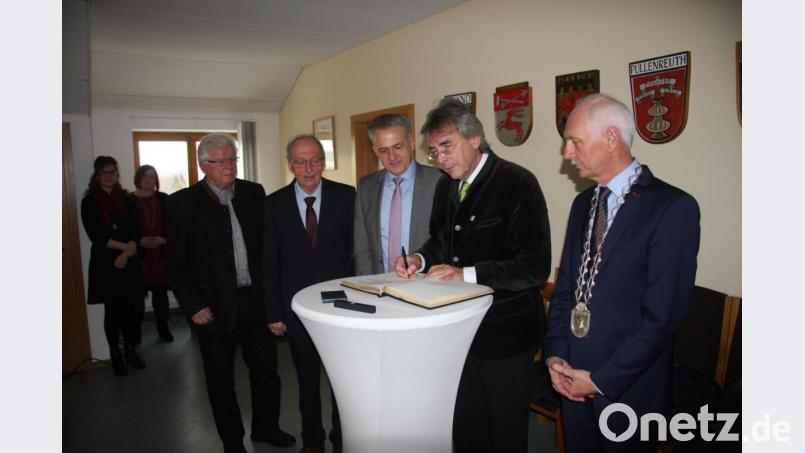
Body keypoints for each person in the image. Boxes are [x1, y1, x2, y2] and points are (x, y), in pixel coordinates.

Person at [543, 94, 700, 452]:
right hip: (572, 380)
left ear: (611, 139)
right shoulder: (584, 203)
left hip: (629, 390)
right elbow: (565, 289)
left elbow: (663, 317)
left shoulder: (672, 208)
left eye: (575, 141)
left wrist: (600, 381)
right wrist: (554, 355)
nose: (567, 152)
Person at [396, 99, 552, 453]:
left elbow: (534, 267)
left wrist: (465, 273)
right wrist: (419, 259)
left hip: (506, 334)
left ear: (475, 138)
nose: (441, 158)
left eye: (446, 146)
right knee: (465, 426)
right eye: (434, 152)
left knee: (505, 432)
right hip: (457, 332)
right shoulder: (445, 186)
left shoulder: (518, 183)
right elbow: (440, 241)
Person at [165, 133, 295, 453]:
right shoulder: (182, 203)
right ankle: (233, 442)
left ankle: (266, 428)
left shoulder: (253, 192)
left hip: (255, 300)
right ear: (203, 165)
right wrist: (193, 305)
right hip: (212, 306)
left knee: (265, 371)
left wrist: (275, 299)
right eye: (220, 161)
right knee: (220, 379)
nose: (228, 166)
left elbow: (268, 249)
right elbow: (176, 264)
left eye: (232, 159)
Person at [263, 134, 355, 453]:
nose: (309, 167)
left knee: (341, 380)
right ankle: (313, 441)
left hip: (340, 305)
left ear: (324, 162)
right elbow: (269, 262)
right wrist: (274, 312)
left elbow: (356, 254)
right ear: (291, 165)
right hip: (296, 307)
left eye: (315, 159)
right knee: (306, 380)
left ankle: (342, 439)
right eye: (301, 161)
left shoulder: (347, 197)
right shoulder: (274, 204)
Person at [354, 114, 443, 275]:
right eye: (383, 150)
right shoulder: (366, 187)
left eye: (397, 147)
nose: (392, 157)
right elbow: (362, 248)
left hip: (427, 285)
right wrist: (366, 284)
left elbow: (445, 243)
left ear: (412, 143)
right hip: (379, 286)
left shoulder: (439, 182)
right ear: (375, 150)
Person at [80, 156, 146, 376]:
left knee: (132, 310)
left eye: (113, 172)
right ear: (97, 175)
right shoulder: (89, 201)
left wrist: (127, 252)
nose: (110, 176)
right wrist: (123, 250)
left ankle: (130, 351)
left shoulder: (127, 199)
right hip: (106, 263)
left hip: (128, 260)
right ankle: (115, 355)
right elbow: (97, 235)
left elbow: (136, 230)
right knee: (113, 312)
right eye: (105, 172)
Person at [127, 165, 173, 343]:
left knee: (160, 294)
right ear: (138, 178)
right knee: (138, 296)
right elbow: (126, 227)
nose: (148, 180)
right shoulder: (127, 200)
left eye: (152, 177)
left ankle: (163, 329)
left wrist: (165, 239)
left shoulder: (164, 199)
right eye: (145, 176)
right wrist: (139, 240)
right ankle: (135, 334)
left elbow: (172, 224)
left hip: (160, 253)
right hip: (140, 254)